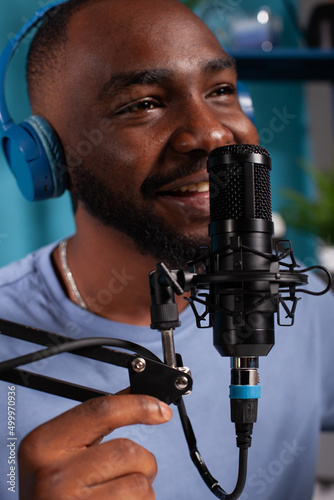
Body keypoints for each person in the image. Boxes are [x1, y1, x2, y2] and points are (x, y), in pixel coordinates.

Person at [0, 0, 333, 499]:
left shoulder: (308, 306)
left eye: (221, 91)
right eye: (144, 103)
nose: (214, 133)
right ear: (50, 157)